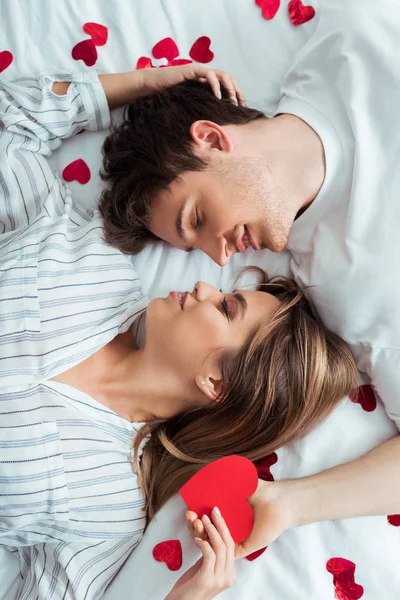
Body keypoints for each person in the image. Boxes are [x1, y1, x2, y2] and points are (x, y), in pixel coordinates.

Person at [0, 68, 357, 599]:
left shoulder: (110, 507)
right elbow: (11, 122)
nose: (204, 284)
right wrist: (143, 86)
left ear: (216, 382)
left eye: (227, 307)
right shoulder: (88, 259)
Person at [99, 0, 400, 556]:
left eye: (196, 220)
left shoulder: (352, 35)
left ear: (212, 138)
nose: (217, 259)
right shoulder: (347, 293)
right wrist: (289, 505)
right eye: (192, 245)